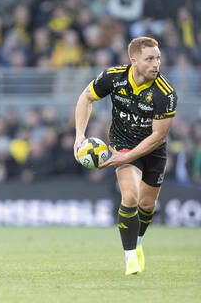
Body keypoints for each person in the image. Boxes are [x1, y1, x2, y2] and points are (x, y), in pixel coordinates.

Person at [74, 37, 177, 275]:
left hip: (153, 149)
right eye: (149, 59)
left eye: (158, 58)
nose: (156, 64)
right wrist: (80, 135)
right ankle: (130, 258)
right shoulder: (114, 77)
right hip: (122, 143)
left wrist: (127, 156)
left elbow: (159, 136)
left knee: (147, 205)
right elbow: (85, 98)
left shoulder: (165, 92)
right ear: (134, 60)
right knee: (130, 196)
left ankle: (138, 242)